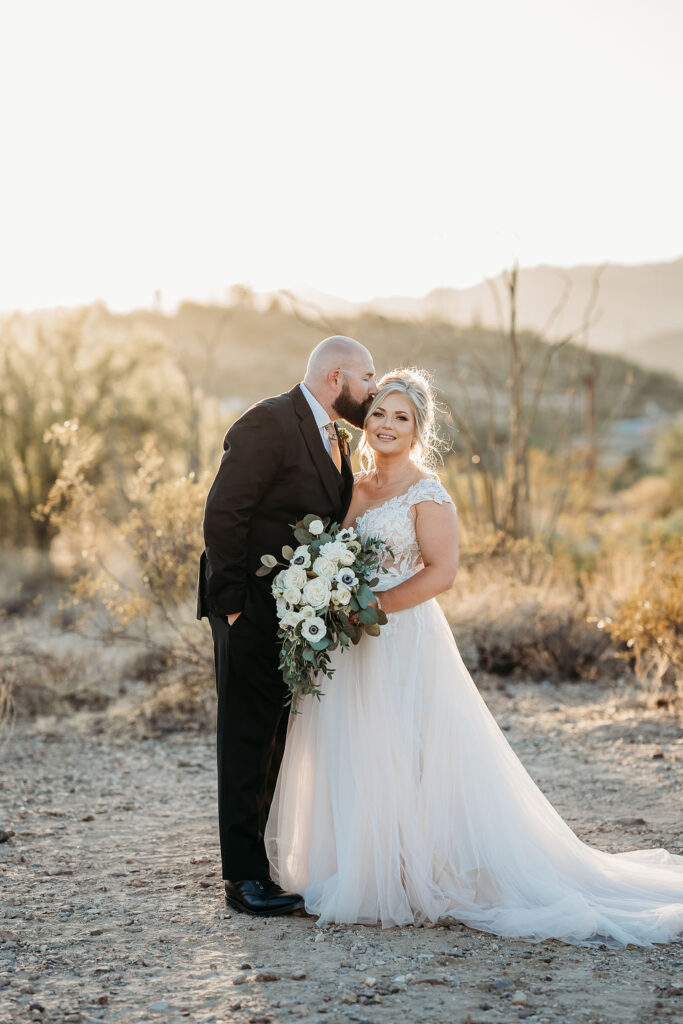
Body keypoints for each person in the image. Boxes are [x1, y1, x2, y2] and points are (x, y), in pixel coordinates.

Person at [264, 367, 683, 946]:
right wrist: (328, 597)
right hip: (350, 643)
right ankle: (360, 865)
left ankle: (416, 872)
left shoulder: (428, 493)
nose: (387, 425)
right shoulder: (355, 488)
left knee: (413, 748)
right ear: (368, 422)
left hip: (402, 638)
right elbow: (332, 553)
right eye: (380, 414)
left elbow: (443, 573)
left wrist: (373, 608)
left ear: (417, 431)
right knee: (359, 745)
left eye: (401, 418)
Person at [198, 336, 377, 916]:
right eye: (367, 378)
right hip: (247, 606)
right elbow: (225, 511)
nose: (372, 390)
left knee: (274, 736)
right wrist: (232, 604)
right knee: (247, 737)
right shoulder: (269, 422)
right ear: (335, 378)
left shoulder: (337, 439)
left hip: (293, 612)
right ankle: (242, 880)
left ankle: (263, 868)